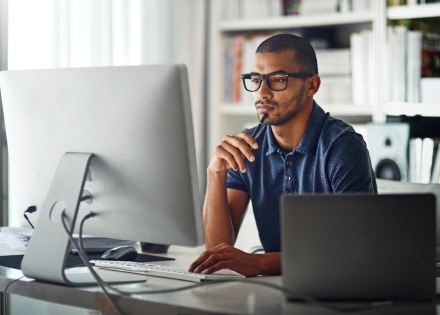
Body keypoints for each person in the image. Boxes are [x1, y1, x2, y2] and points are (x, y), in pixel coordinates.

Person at [189, 33, 377, 277]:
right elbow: (217, 251)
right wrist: (215, 172)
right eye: (256, 79)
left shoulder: (343, 147)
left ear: (312, 85)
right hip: (275, 290)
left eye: (277, 79)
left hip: (335, 290)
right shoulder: (247, 146)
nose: (262, 93)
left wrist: (258, 264)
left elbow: (354, 251)